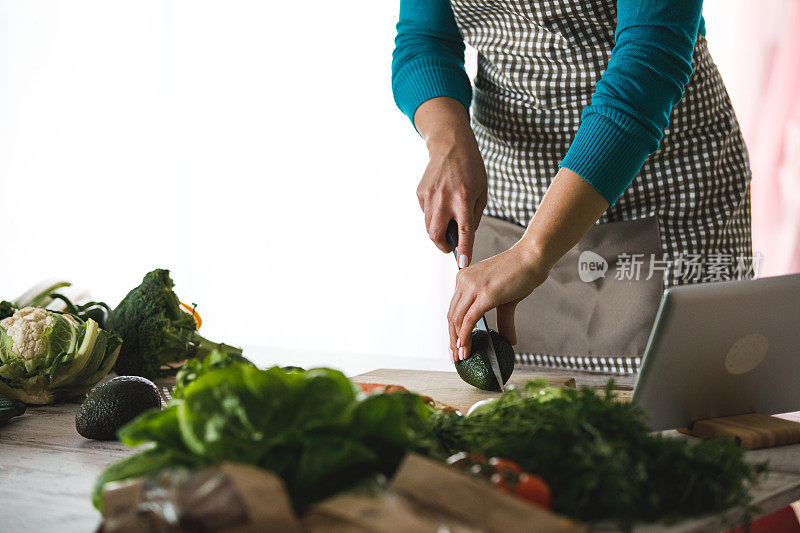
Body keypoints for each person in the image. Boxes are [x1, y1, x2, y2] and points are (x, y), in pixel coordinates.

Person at [392, 0, 753, 372]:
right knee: (527, 414)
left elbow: (649, 60)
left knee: (682, 407)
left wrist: (533, 252)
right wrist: (447, 141)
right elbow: (425, 39)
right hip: (515, 201)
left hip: (664, 192)